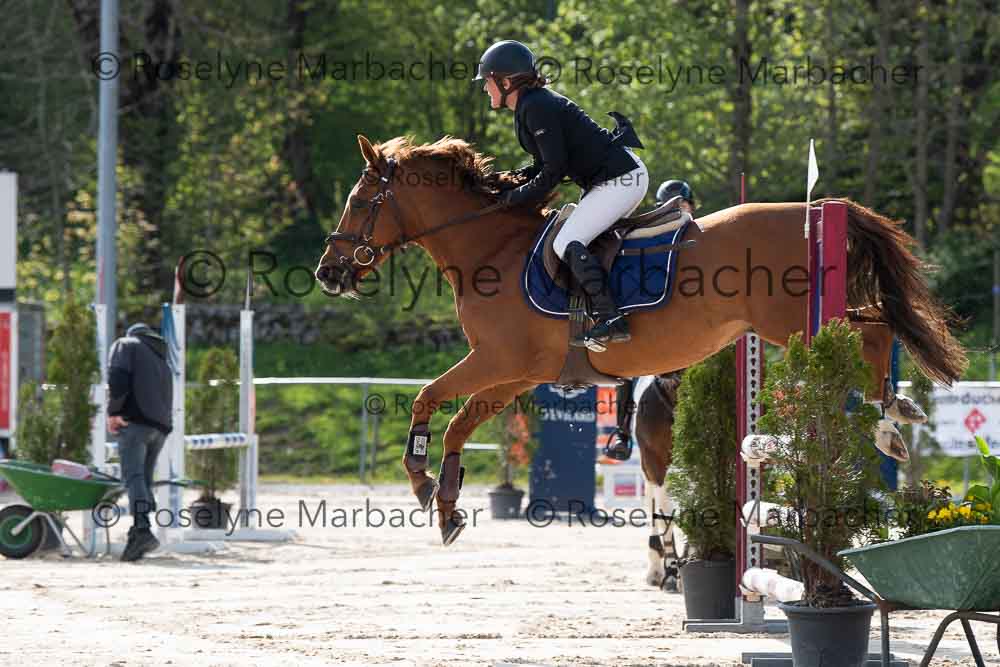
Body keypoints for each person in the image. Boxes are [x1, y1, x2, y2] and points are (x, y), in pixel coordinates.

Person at [476, 39, 649, 351]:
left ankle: (612, 319)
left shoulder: (536, 106)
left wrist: (514, 199)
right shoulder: (529, 106)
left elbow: (553, 172)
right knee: (578, 241)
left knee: (565, 242)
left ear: (506, 82)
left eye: (488, 81)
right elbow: (541, 166)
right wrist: (502, 183)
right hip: (611, 180)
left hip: (621, 179)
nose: (485, 88)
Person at [604, 180, 696, 461]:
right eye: (671, 206)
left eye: (682, 205)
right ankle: (622, 432)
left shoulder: (704, 235)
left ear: (691, 207)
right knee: (625, 365)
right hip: (657, 315)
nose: (678, 211)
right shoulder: (652, 238)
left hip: (694, 319)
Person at [107, 322, 174, 562]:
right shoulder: (162, 359)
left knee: (133, 477)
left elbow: (117, 376)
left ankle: (143, 530)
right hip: (160, 428)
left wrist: (114, 412)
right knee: (143, 479)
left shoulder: (125, 344)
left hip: (135, 423)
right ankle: (139, 531)